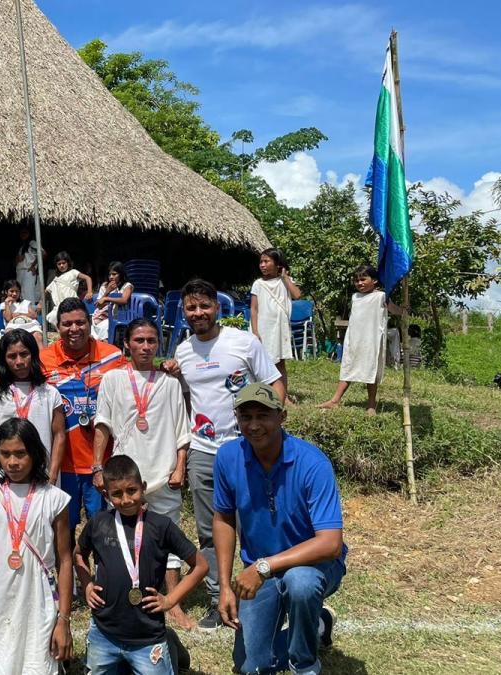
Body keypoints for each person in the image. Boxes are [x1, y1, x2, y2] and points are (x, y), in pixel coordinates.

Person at [164, 278, 284, 631]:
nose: (198, 313)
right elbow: (185, 398)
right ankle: (221, 598)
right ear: (184, 312)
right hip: (203, 452)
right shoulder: (183, 352)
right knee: (209, 530)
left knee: (255, 525)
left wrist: (273, 424)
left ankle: (264, 597)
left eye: (205, 306)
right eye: (191, 307)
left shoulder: (244, 342)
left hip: (247, 449)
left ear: (217, 307)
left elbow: (274, 382)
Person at [215, 383, 344, 675]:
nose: (254, 425)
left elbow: (330, 544)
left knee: (300, 583)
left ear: (282, 417)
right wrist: (224, 586)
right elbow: (223, 519)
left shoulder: (313, 463)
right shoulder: (227, 457)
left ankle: (305, 665)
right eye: (246, 416)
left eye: (263, 416)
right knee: (250, 667)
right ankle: (318, 624)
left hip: (312, 566)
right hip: (260, 569)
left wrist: (264, 566)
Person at [91, 318, 194, 630]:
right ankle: (121, 593)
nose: (146, 347)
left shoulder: (170, 383)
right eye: (139, 340)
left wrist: (180, 467)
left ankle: (173, 601)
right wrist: (98, 467)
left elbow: (182, 430)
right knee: (121, 537)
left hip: (163, 473)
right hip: (124, 478)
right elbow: (103, 425)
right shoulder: (112, 380)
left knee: (170, 537)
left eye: (152, 340)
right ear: (127, 344)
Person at [0, 418, 73, 674]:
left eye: (21, 453)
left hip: (37, 608)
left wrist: (64, 620)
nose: (12, 462)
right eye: (5, 454)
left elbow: (65, 561)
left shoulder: (54, 499)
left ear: (34, 453)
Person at [75, 455, 207, 675]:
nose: (126, 499)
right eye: (117, 494)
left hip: (147, 636)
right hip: (104, 634)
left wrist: (171, 600)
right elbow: (79, 554)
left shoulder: (161, 526)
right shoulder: (98, 524)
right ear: (106, 495)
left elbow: (201, 566)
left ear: (143, 487)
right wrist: (87, 584)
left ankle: (171, 645)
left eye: (132, 490)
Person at [40, 297, 126, 538]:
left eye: (80, 322)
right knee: (62, 531)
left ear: (89, 323)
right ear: (58, 326)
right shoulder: (44, 360)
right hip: (61, 464)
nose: (74, 329)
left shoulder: (113, 357)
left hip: (101, 463)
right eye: (67, 324)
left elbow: (136, 383)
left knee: (104, 531)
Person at [0, 329, 66, 484]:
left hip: (43, 477)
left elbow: (59, 435)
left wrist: (53, 475)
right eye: (12, 356)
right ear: (3, 359)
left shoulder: (50, 393)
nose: (19, 361)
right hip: (5, 474)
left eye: (24, 354)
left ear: (33, 355)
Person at [317, 265, 404, 415]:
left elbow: (394, 310)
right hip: (355, 339)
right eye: (356, 280)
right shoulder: (355, 297)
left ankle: (371, 405)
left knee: (371, 370)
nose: (359, 283)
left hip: (372, 340)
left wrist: (404, 310)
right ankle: (335, 400)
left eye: (363, 279)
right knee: (348, 367)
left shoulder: (381, 297)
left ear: (374, 280)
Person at [251, 248, 302, 387]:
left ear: (277, 264)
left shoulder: (284, 281)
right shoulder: (258, 284)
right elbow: (254, 309)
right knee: (262, 360)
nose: (262, 265)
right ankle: (263, 390)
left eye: (266, 261)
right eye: (261, 262)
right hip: (263, 327)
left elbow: (297, 295)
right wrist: (255, 331)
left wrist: (285, 277)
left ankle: (283, 394)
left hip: (279, 327)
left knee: (280, 362)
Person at [44, 251, 93, 328]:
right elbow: (46, 290)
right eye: (59, 264)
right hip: (60, 307)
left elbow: (87, 278)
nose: (61, 265)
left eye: (63, 263)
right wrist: (41, 303)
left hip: (72, 304)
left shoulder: (73, 272)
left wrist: (89, 292)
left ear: (68, 263)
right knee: (51, 316)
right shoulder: (55, 280)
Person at [92, 261, 133, 342]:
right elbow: (99, 306)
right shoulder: (105, 286)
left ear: (121, 274)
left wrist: (107, 299)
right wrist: (107, 292)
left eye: (114, 274)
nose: (111, 277)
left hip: (118, 316)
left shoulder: (127, 286)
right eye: (109, 274)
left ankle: (106, 346)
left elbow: (124, 300)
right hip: (102, 315)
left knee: (105, 328)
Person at [15, 227, 43, 305]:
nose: (23, 234)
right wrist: (18, 259)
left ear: (29, 234)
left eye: (25, 232)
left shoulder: (33, 243)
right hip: (20, 271)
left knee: (28, 293)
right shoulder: (22, 246)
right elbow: (17, 260)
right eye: (22, 233)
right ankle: (23, 310)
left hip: (28, 270)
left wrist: (33, 266)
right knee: (21, 293)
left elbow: (43, 254)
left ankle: (31, 310)